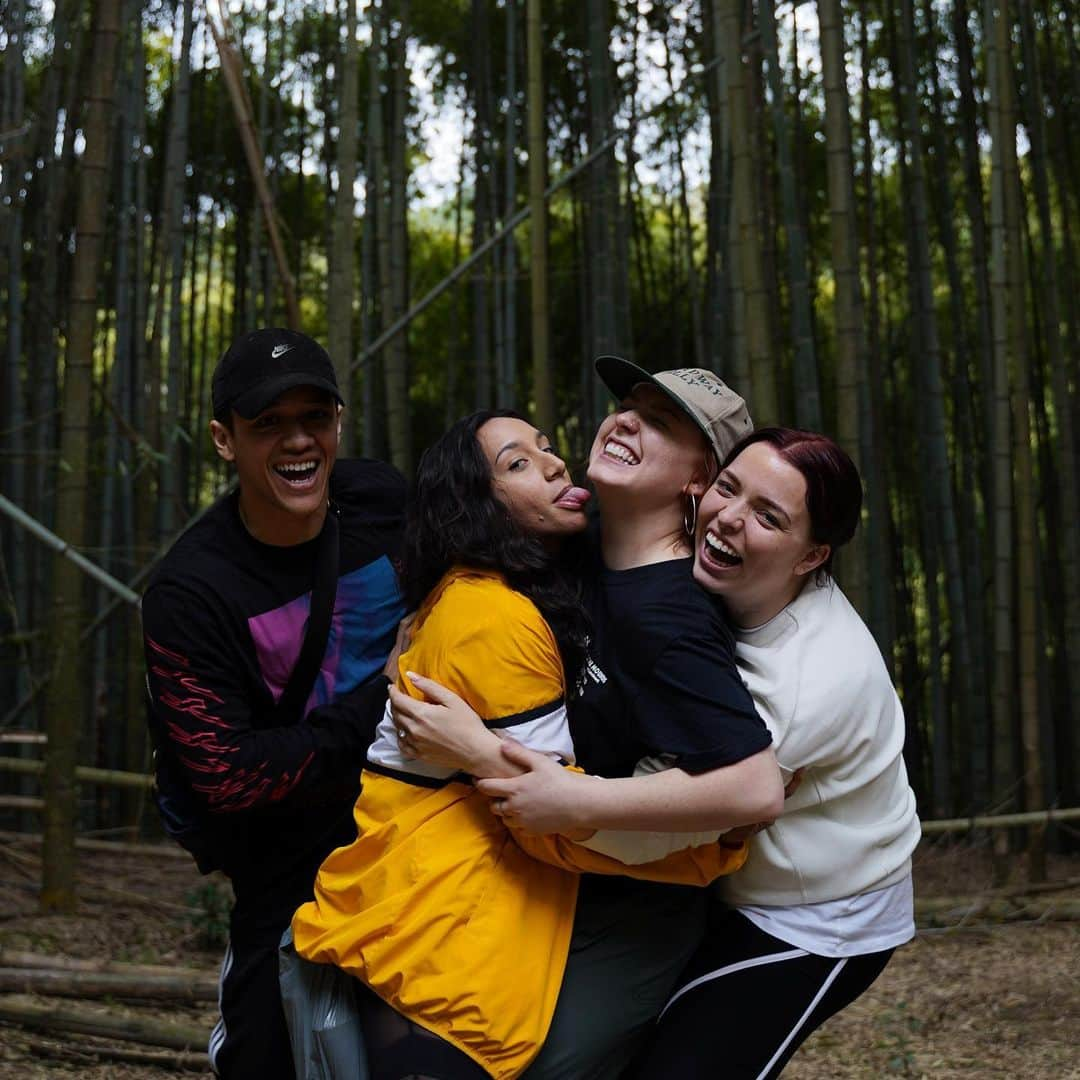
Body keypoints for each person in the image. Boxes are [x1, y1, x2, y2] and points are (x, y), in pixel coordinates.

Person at [442, 427, 919, 1078]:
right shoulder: (679, 570)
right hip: (724, 888)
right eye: (728, 488)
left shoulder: (811, 680)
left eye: (769, 517)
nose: (729, 518)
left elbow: (671, 826)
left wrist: (502, 766)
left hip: (815, 917)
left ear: (812, 556)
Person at [290, 410, 751, 1080]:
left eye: (545, 449)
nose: (555, 463)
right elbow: (551, 824)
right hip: (446, 942)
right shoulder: (498, 618)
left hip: (417, 921)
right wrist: (712, 845)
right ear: (477, 506)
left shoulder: (500, 587)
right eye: (517, 463)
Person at [391, 360, 785, 1078]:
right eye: (628, 405)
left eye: (662, 423)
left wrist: (481, 752)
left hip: (640, 904)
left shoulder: (668, 614)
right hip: (553, 876)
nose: (626, 420)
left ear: (702, 482)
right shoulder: (581, 541)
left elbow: (755, 791)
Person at [142, 328, 405, 1080]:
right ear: (225, 440)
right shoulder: (192, 591)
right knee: (267, 1050)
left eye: (314, 418)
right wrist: (390, 699)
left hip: (417, 826)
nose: (298, 441)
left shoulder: (380, 501)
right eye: (269, 424)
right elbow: (229, 776)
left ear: (338, 423)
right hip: (291, 862)